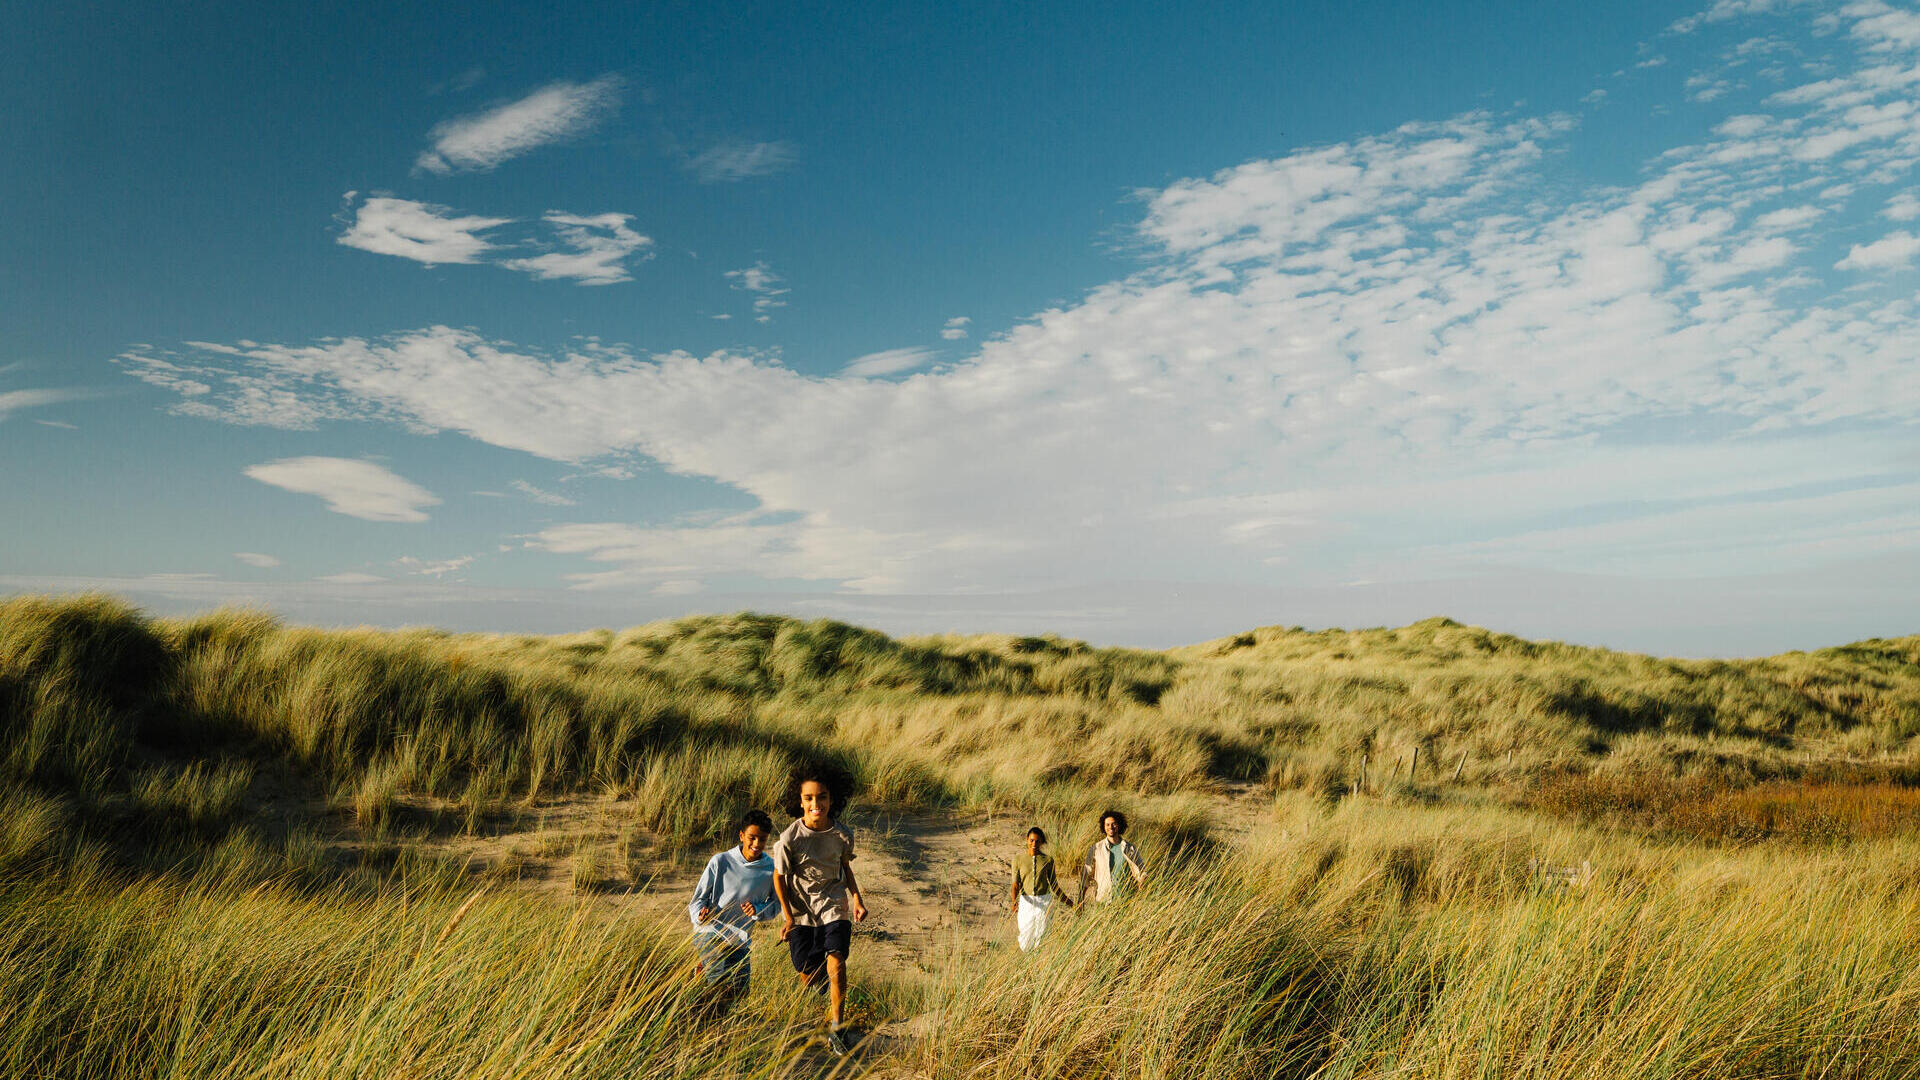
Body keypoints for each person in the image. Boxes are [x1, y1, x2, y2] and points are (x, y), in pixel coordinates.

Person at [772, 775, 868, 1057]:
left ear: (831, 799)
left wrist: (857, 898)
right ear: (800, 802)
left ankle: (837, 1028)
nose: (817, 803)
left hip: (834, 905)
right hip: (802, 913)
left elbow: (845, 867)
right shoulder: (789, 839)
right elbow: (779, 878)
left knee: (836, 960)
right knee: (807, 971)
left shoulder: (842, 834)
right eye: (810, 798)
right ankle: (822, 981)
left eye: (822, 796)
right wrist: (788, 916)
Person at [687, 809, 781, 1015]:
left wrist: (757, 909)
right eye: (752, 838)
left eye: (762, 839)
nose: (756, 844)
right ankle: (705, 1022)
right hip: (709, 931)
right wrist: (700, 914)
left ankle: (704, 986)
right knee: (718, 979)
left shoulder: (770, 868)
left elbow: (776, 905)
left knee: (740, 990)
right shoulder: (720, 861)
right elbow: (697, 900)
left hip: (739, 938)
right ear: (741, 836)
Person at [1009, 826, 1071, 950]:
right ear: (1027, 840)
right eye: (1031, 840)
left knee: (1041, 934)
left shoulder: (1048, 860)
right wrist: (1014, 903)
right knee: (1025, 934)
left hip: (1044, 901)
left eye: (1037, 841)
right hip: (1026, 901)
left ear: (1042, 842)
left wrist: (1070, 903)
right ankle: (1026, 961)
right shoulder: (1018, 859)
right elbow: (1015, 884)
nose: (1034, 844)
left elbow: (1054, 886)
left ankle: (1037, 963)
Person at [1078, 809, 1146, 904]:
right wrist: (1080, 900)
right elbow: (1086, 874)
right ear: (1103, 826)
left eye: (1114, 824)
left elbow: (1142, 871)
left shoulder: (1130, 848)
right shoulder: (1096, 848)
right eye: (1107, 824)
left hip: (1126, 900)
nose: (1111, 827)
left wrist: (1141, 884)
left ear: (1119, 825)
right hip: (1103, 900)